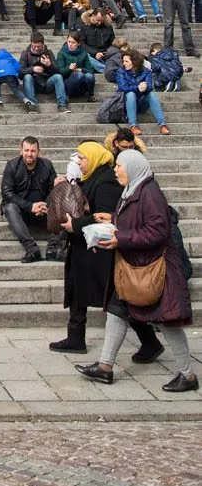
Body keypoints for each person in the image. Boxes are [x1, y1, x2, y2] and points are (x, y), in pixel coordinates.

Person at [76, 152, 197, 391]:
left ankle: (188, 375)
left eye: (119, 165)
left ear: (132, 167)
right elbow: (137, 221)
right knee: (116, 310)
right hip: (134, 267)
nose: (116, 170)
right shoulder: (133, 189)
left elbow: (157, 232)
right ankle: (105, 367)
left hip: (154, 270)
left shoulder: (150, 193)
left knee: (167, 322)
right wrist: (111, 221)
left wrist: (120, 237)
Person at [50, 141, 160, 359]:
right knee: (78, 290)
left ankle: (150, 341)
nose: (79, 163)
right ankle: (75, 337)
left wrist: (76, 225)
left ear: (94, 157)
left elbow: (106, 215)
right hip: (85, 248)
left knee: (118, 299)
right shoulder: (91, 177)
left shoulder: (106, 180)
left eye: (82, 158)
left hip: (100, 251)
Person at [0, 136, 61, 263]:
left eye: (33, 151)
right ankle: (32, 249)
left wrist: (45, 205)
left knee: (62, 193)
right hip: (22, 213)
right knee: (9, 207)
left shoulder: (47, 165)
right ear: (20, 150)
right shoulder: (12, 166)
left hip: (44, 211)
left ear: (39, 151)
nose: (29, 154)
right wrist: (30, 206)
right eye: (26, 150)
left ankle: (53, 248)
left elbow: (53, 191)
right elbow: (7, 193)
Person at [116, 49, 170, 135]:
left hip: (141, 102)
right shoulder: (121, 71)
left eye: (126, 61)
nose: (124, 63)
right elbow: (122, 87)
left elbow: (150, 87)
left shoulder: (146, 71)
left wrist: (145, 87)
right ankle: (133, 126)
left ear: (134, 62)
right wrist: (137, 87)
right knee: (130, 94)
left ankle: (162, 125)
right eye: (123, 61)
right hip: (126, 103)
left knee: (151, 94)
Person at [19, 32, 70, 113]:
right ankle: (33, 106)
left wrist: (49, 65)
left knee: (58, 77)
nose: (36, 49)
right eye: (34, 46)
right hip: (34, 83)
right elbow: (20, 73)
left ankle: (62, 105)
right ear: (31, 43)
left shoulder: (49, 52)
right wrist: (32, 69)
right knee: (27, 77)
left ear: (43, 44)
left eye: (38, 46)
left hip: (47, 82)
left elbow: (58, 71)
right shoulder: (25, 53)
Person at [0, 47, 33, 111]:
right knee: (15, 89)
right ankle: (25, 100)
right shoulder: (11, 59)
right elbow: (18, 68)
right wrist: (19, 76)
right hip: (10, 75)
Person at [55, 32, 97, 101]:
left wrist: (82, 69)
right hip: (67, 83)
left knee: (89, 76)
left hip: (81, 85)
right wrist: (69, 68)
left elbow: (90, 70)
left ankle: (90, 95)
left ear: (78, 43)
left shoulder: (84, 54)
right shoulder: (61, 53)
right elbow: (59, 71)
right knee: (79, 75)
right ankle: (66, 95)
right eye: (69, 42)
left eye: (73, 42)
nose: (70, 44)